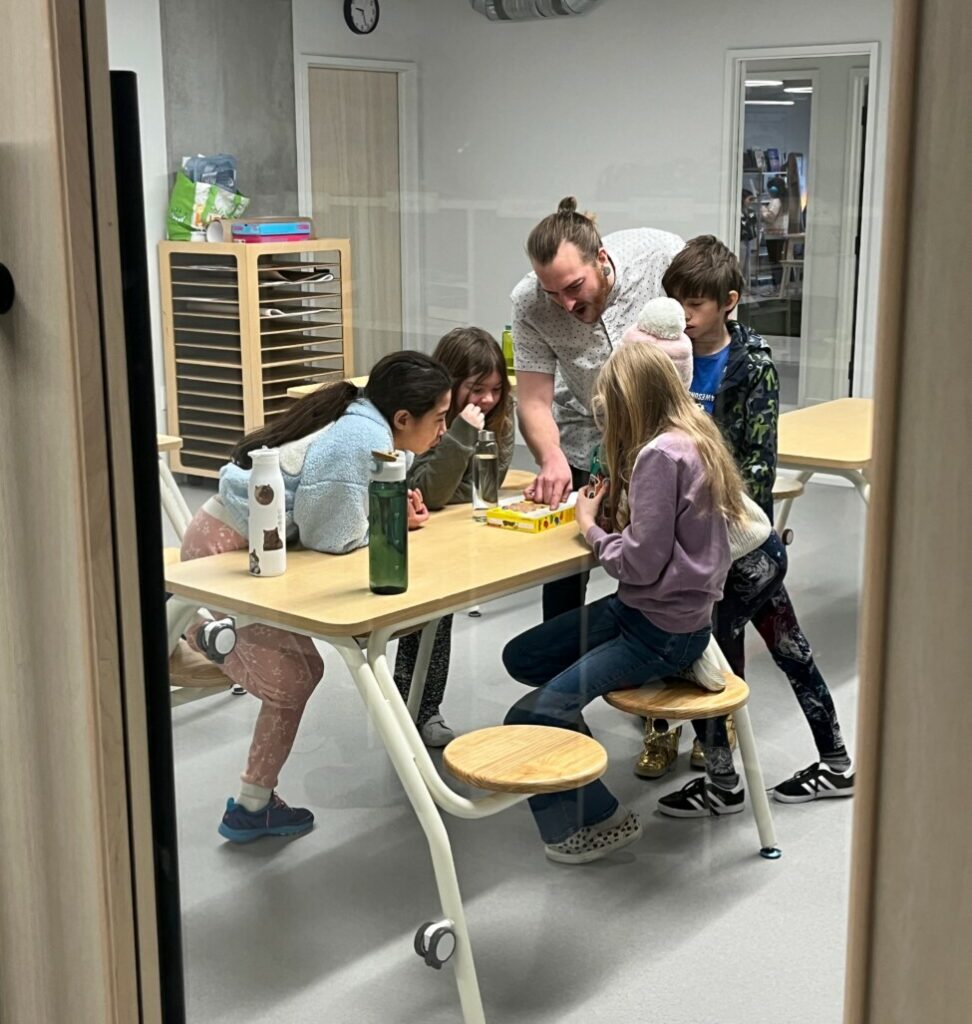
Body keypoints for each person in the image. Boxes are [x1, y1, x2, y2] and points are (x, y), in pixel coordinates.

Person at [180, 351, 452, 842]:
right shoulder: (362, 438)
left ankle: (252, 803)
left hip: (244, 546)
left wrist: (391, 516)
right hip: (223, 552)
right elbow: (334, 536)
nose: (444, 428)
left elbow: (332, 517)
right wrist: (385, 524)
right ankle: (199, 631)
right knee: (294, 678)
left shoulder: (371, 428)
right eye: (439, 417)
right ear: (404, 418)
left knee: (300, 674)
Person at [502, 343, 744, 864]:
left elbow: (639, 564)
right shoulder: (696, 435)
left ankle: (597, 820)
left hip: (657, 628)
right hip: (652, 612)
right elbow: (661, 546)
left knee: (531, 714)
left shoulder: (659, 454)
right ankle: (575, 745)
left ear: (629, 401)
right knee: (523, 657)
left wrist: (588, 525)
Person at [646, 235, 854, 813]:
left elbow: (757, 468)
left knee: (719, 658)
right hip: (702, 545)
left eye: (696, 305)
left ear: (729, 301)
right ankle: (821, 767)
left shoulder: (752, 366)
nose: (684, 316)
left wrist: (721, 547)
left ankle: (728, 784)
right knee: (752, 654)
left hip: (738, 547)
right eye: (677, 302)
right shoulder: (671, 358)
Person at [511, 196, 684, 621]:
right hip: (585, 434)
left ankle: (652, 648)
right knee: (565, 569)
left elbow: (708, 313)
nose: (565, 305)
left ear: (601, 259)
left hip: (661, 437)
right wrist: (550, 459)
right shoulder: (529, 303)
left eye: (574, 288)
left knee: (660, 557)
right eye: (552, 292)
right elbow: (533, 399)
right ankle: (560, 666)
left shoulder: (660, 254)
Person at [393, 327, 515, 746]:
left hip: (461, 536)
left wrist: (452, 482)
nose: (488, 400)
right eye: (476, 389)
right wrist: (461, 434)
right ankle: (413, 709)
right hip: (416, 536)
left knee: (437, 624)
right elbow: (430, 492)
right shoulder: (431, 417)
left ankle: (421, 708)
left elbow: (482, 490)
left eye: (496, 389)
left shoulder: (501, 419)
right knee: (424, 626)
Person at [760, 176, 789, 290]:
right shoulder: (785, 200)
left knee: (774, 262)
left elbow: (770, 217)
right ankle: (781, 286)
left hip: (773, 234)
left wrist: (762, 209)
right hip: (781, 233)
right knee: (778, 261)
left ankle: (777, 287)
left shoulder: (776, 201)